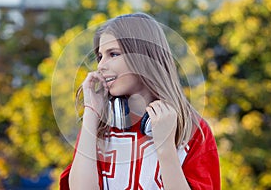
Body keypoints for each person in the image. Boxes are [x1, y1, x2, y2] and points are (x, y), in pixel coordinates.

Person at [60, 13, 220, 190]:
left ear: (144, 57)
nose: (101, 66)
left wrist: (165, 148)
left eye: (113, 54)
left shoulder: (193, 130)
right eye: (100, 56)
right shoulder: (99, 126)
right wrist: (91, 111)